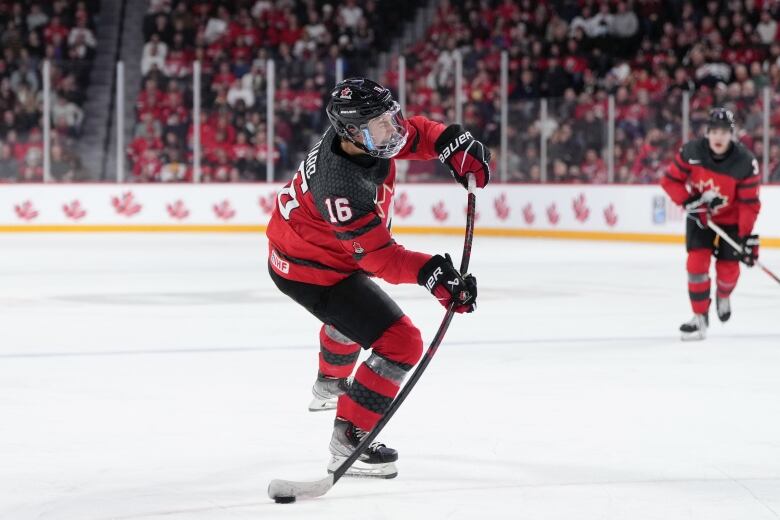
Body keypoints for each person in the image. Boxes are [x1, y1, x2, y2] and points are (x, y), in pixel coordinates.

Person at [266, 78, 490, 478]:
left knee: (354, 317)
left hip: (315, 251)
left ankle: (328, 383)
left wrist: (452, 142)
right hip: (310, 271)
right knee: (401, 341)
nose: (394, 131)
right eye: (382, 125)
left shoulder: (363, 136)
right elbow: (380, 259)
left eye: (392, 118)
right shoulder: (341, 185)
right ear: (351, 132)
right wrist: (432, 273)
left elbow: (416, 133)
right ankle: (348, 439)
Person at [661, 108, 761, 341]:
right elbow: (670, 181)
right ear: (707, 132)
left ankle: (723, 295)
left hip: (732, 221)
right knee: (696, 265)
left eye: (724, 132)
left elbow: (749, 203)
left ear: (732, 135)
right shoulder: (692, 151)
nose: (718, 137)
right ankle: (699, 317)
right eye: (714, 131)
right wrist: (690, 202)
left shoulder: (745, 162)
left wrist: (745, 236)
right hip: (701, 217)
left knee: (728, 271)